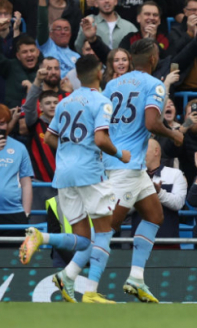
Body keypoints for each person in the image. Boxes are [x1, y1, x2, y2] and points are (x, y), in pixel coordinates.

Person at [20, 55, 131, 304]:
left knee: (83, 240)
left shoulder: (64, 103)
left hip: (64, 175)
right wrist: (120, 155)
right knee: (105, 232)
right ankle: (91, 291)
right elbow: (101, 140)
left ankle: (45, 243)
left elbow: (49, 138)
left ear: (77, 77)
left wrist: (71, 151)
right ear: (100, 73)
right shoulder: (101, 102)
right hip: (90, 173)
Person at [101, 38, 188, 303]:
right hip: (126, 167)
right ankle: (69, 273)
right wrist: (173, 134)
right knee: (107, 229)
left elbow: (100, 121)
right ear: (153, 60)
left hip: (120, 162)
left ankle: (136, 278)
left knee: (154, 215)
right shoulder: (155, 85)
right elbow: (152, 122)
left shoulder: (112, 84)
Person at [140, 138, 187, 241]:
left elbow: (178, 203)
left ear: (156, 151)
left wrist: (159, 193)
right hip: (139, 241)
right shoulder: (133, 176)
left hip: (167, 241)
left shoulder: (175, 174)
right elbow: (125, 209)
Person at [0, 103, 33, 236]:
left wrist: (26, 212)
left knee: (14, 255)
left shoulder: (19, 148)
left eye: (2, 123)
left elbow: (26, 182)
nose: (0, 127)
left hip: (14, 213)